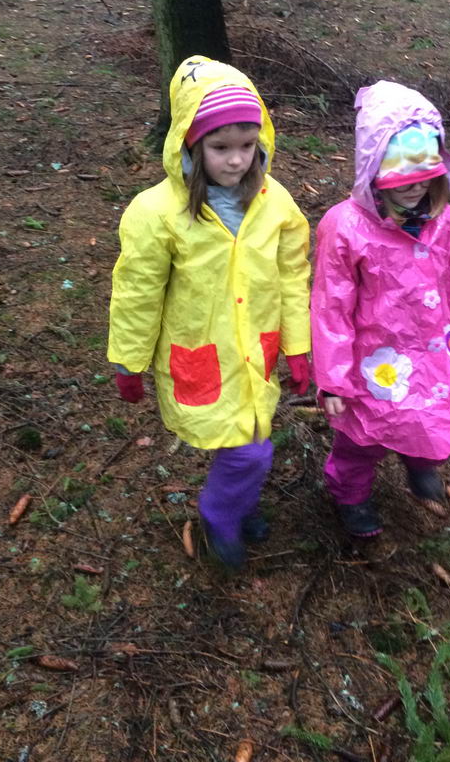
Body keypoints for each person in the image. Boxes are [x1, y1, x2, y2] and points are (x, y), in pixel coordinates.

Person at [108, 56, 311, 568]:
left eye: (248, 145)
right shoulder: (156, 214)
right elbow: (138, 293)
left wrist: (297, 344)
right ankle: (220, 512)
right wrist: (128, 360)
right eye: (221, 148)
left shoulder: (275, 203)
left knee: (251, 437)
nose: (237, 160)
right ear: (191, 143)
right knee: (250, 448)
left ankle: (239, 503)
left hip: (256, 350)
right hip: (204, 351)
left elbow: (291, 276)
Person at [311, 79, 450, 537]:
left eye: (425, 175)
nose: (415, 188)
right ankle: (350, 494)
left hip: (430, 344)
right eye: (401, 177)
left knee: (429, 409)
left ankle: (419, 460)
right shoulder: (345, 228)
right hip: (373, 359)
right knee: (362, 437)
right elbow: (330, 307)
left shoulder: (440, 218)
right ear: (372, 167)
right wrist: (333, 378)